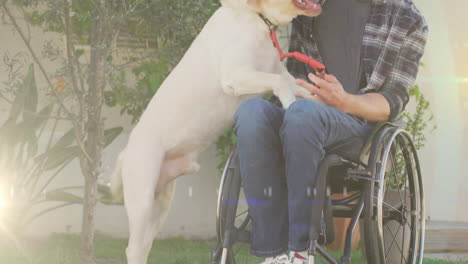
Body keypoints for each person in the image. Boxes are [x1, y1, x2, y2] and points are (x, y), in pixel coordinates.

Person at [233, 0, 428, 263]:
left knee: (304, 115)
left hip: (357, 128)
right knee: (252, 113)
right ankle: (273, 254)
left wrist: (343, 101)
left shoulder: (407, 18)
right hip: (297, 107)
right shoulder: (310, 4)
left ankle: (300, 250)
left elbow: (391, 102)